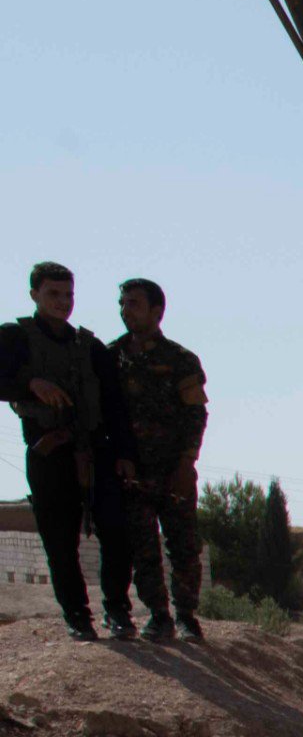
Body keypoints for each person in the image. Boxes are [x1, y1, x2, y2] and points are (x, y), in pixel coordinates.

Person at [5, 262, 133, 642]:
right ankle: (77, 615)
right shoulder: (15, 338)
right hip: (50, 453)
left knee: (116, 531)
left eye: (68, 295)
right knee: (60, 541)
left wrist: (124, 453)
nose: (63, 303)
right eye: (53, 294)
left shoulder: (90, 347)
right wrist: (30, 383)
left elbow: (113, 405)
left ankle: (118, 610)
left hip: (95, 451)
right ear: (34, 295)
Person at [107, 279, 207, 642]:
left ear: (156, 311)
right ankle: (158, 614)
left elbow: (196, 415)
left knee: (183, 545)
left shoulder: (180, 361)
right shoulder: (112, 357)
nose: (124, 310)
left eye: (133, 303)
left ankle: (186, 616)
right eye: (122, 303)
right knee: (143, 547)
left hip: (174, 470)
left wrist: (186, 463)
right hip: (133, 472)